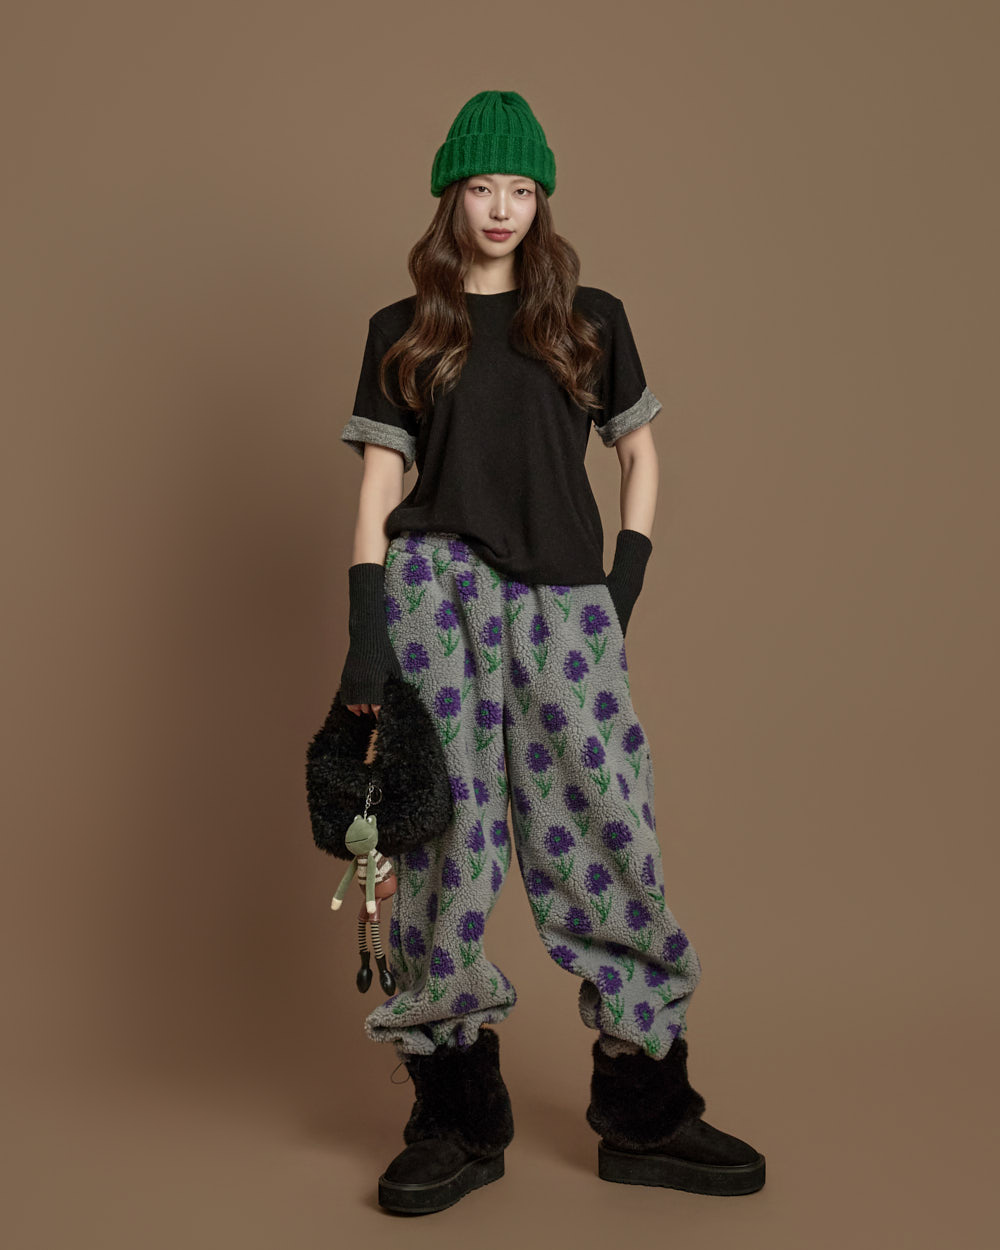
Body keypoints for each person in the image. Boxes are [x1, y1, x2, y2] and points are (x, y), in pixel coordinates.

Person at [336, 90, 765, 1214]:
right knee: (442, 840)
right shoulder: (402, 328)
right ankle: (456, 1116)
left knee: (606, 826)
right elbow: (378, 490)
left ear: (542, 200)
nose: (501, 208)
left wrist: (619, 589)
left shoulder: (587, 320)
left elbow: (641, 456)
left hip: (562, 604)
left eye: (521, 189)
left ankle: (646, 1110)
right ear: (451, 195)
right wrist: (366, 643)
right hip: (435, 599)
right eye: (482, 186)